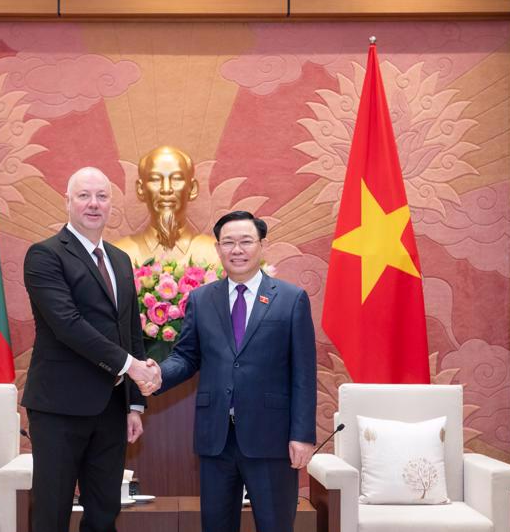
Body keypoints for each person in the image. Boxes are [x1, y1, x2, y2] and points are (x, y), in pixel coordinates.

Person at [143, 210, 317, 532]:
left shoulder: (291, 300)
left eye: (246, 241)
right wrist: (159, 375)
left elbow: (304, 373)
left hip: (271, 436)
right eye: (229, 243)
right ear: (218, 248)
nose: (237, 250)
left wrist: (302, 435)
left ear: (261, 246)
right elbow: (186, 356)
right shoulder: (201, 299)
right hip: (216, 438)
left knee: (275, 525)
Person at [21, 167, 161, 532]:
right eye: (84, 196)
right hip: (58, 409)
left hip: (111, 409)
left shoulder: (119, 259)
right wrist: (132, 366)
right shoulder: (45, 256)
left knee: (103, 512)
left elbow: (129, 329)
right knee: (52, 512)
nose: (93, 204)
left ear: (111, 203)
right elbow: (67, 324)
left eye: (101, 196)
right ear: (67, 201)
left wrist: (133, 404)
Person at [115, 146, 219, 265]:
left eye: (176, 179)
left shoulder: (215, 255)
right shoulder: (120, 256)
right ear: (140, 189)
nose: (166, 189)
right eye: (155, 179)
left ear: (192, 188)